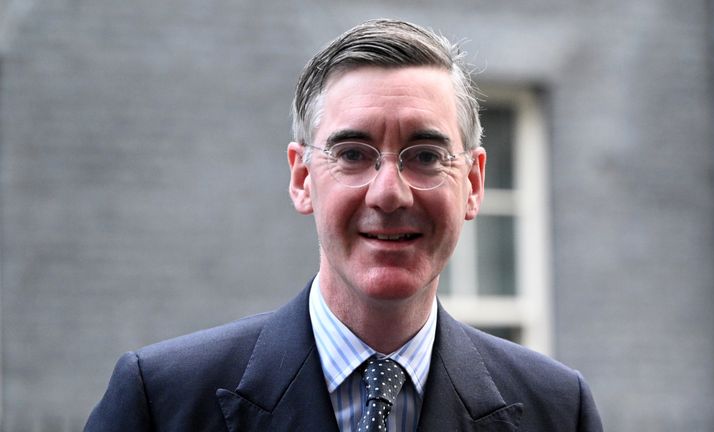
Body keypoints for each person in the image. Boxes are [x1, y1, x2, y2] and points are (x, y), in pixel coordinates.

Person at [85, 19, 603, 432]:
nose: (389, 192)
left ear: (472, 181)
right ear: (302, 177)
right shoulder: (162, 401)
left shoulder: (557, 410)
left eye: (425, 155)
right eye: (352, 154)